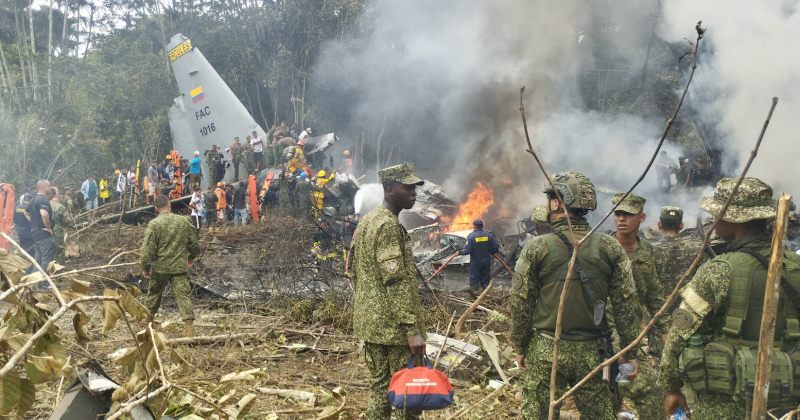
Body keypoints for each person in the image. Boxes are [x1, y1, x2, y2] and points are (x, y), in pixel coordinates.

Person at [660, 177, 800, 418]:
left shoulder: (719, 269)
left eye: (717, 215)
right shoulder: (795, 266)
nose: (713, 222)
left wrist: (671, 387)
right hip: (786, 402)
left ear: (733, 219)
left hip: (724, 403)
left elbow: (679, 331)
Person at [512, 172, 642, 419]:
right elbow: (627, 304)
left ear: (558, 203)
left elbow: (521, 302)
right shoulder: (609, 246)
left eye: (551, 197)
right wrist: (631, 351)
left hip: (546, 349)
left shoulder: (537, 247)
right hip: (593, 350)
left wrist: (519, 345)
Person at [351, 162, 427, 420]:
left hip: (372, 326)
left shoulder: (367, 222)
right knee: (406, 398)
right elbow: (394, 281)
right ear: (390, 189)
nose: (414, 193)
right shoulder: (388, 227)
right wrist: (412, 330)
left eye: (415, 188)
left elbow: (353, 271)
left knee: (380, 390)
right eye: (408, 188)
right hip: (394, 331)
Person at [610, 192, 666, 419]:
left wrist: (665, 329)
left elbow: (654, 294)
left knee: (650, 394)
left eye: (628, 214)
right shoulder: (603, 249)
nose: (621, 219)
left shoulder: (647, 252)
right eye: (618, 214)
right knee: (614, 394)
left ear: (641, 217)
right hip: (603, 333)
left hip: (631, 334)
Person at [139, 195, 200, 337]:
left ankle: (146, 323)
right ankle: (189, 329)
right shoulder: (184, 221)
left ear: (156, 208)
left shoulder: (154, 224)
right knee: (183, 297)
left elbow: (148, 251)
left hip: (160, 268)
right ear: (170, 205)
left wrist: (145, 267)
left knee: (154, 294)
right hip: (179, 267)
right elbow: (195, 245)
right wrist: (191, 257)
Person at [652, 206, 704, 294]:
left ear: (659, 225)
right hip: (686, 303)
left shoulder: (650, 249)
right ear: (681, 225)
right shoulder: (698, 248)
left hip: (659, 304)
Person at [459, 219, 500, 294]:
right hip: (486, 262)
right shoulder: (489, 236)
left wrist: (459, 252)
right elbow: (496, 247)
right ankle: (486, 295)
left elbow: (468, 250)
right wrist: (491, 252)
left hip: (476, 263)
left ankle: (474, 295)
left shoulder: (471, 237)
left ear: (474, 226)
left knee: (474, 279)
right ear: (482, 226)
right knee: (485, 280)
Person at [27, 180, 56, 277]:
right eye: (49, 186)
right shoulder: (43, 200)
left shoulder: (33, 199)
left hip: (35, 233)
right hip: (44, 234)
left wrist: (34, 224)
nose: (50, 188)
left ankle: (34, 281)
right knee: (46, 259)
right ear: (43, 187)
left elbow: (26, 213)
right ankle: (43, 282)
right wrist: (48, 228)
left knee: (38, 259)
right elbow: (44, 213)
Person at [48, 187, 72, 265]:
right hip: (57, 230)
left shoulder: (45, 204)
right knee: (59, 249)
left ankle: (48, 267)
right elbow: (67, 221)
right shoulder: (60, 207)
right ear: (57, 196)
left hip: (46, 230)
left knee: (48, 249)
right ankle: (60, 268)